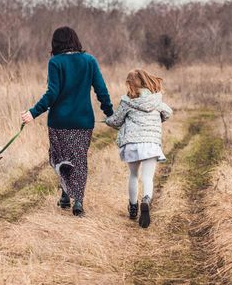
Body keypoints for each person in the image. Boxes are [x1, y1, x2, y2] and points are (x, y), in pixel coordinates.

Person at [21, 26, 113, 216]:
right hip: (83, 121)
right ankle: (76, 200)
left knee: (61, 158)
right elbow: (101, 89)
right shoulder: (90, 61)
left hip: (59, 121)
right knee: (79, 159)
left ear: (56, 43)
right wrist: (110, 112)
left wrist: (33, 112)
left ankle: (65, 194)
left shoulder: (55, 62)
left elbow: (52, 93)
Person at [105, 69, 172, 228]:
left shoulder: (127, 102)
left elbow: (116, 120)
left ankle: (133, 207)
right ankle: (146, 200)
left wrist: (107, 121)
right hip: (150, 143)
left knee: (134, 175)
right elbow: (168, 112)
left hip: (133, 144)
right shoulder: (156, 101)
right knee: (147, 177)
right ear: (146, 81)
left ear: (130, 85)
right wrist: (158, 119)